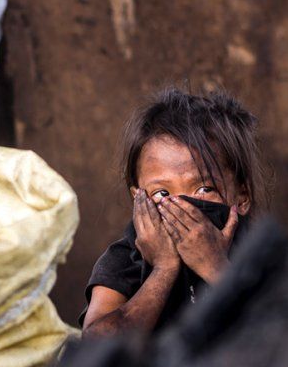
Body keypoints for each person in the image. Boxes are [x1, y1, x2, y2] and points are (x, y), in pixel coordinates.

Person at [80, 88, 265, 337]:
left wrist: (215, 267)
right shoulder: (125, 259)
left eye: (203, 189)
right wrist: (164, 268)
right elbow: (95, 347)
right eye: (162, 194)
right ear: (138, 198)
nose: (183, 207)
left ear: (242, 197)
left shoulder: (258, 251)